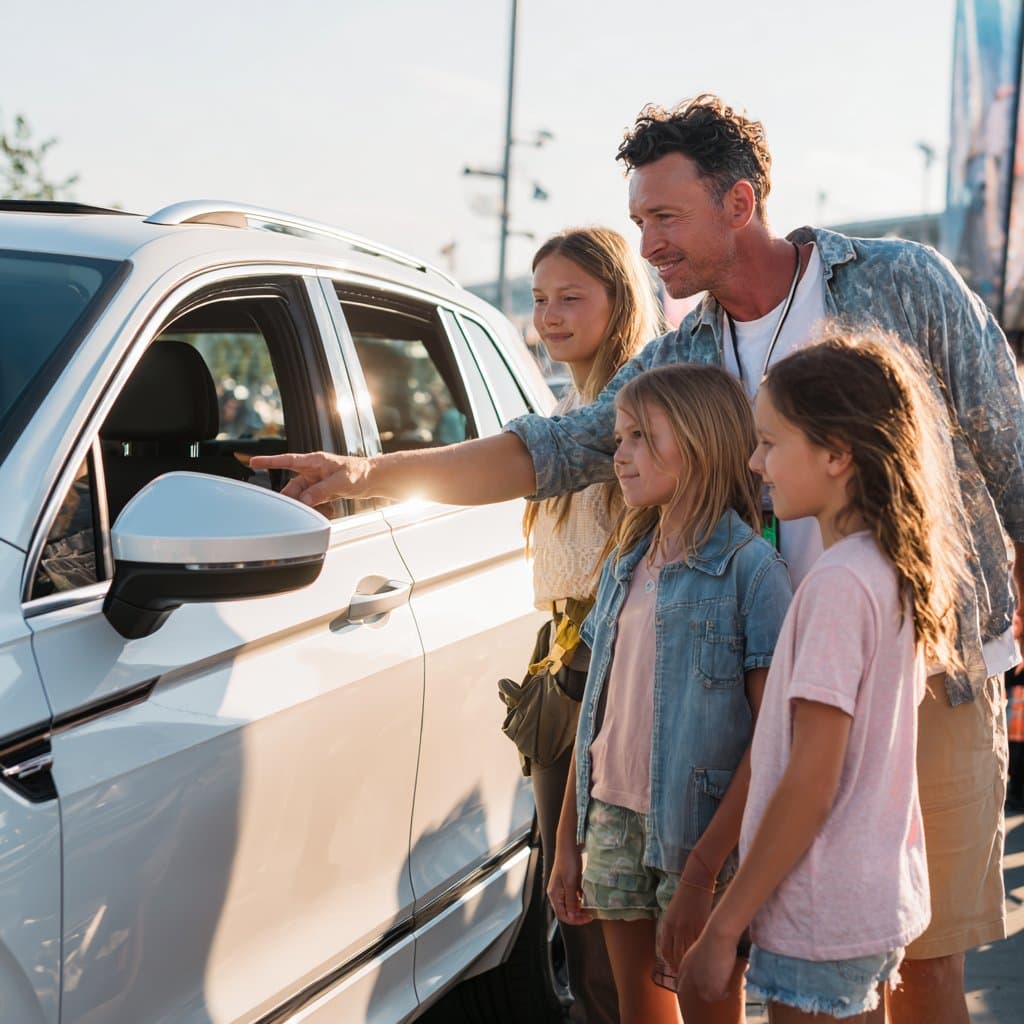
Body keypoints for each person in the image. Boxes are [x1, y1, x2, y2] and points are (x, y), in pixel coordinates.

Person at [252, 94, 1024, 1024]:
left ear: (739, 203)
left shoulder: (902, 282)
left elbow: (1007, 447)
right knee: (794, 963)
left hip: (922, 672)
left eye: (666, 217)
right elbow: (555, 449)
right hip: (760, 690)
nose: (650, 244)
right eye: (639, 222)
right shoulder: (684, 350)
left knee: (919, 960)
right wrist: (367, 472)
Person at [680, 331, 968, 1021]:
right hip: (864, 899)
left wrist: (723, 928)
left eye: (771, 443)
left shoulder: (838, 585)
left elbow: (812, 779)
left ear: (838, 453)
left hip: (821, 909)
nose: (755, 463)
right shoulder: (883, 568)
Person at [547, 363, 791, 1024]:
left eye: (638, 437)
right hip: (613, 822)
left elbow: (773, 743)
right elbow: (596, 714)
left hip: (701, 836)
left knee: (709, 1005)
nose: (619, 453)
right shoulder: (625, 565)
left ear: (699, 441)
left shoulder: (753, 571)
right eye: (619, 436)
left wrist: (701, 873)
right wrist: (568, 841)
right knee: (639, 1013)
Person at [518, 225, 661, 1024]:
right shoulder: (564, 407)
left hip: (616, 669)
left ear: (620, 299)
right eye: (541, 298)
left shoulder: (632, 415)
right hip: (556, 666)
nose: (552, 315)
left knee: (612, 921)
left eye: (573, 297)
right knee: (570, 913)